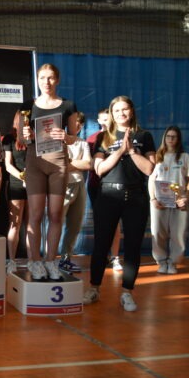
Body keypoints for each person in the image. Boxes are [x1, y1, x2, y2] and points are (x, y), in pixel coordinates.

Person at [83, 96, 156, 312]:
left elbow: (150, 169)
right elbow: (99, 169)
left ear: (132, 111)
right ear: (112, 114)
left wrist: (132, 151)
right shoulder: (103, 137)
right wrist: (119, 151)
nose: (121, 113)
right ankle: (94, 288)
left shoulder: (144, 136)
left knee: (133, 246)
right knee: (101, 244)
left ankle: (127, 292)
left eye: (125, 109)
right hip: (108, 195)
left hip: (136, 196)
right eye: (116, 110)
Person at [20, 63, 78, 281]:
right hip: (35, 162)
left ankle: (51, 261)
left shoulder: (68, 105)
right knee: (35, 214)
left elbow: (73, 137)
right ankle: (35, 261)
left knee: (55, 214)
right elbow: (20, 138)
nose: (47, 82)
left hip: (58, 162)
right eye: (42, 77)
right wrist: (25, 135)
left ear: (58, 80)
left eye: (51, 77)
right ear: (37, 80)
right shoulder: (28, 105)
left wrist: (65, 136)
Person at [148, 126, 189, 274]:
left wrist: (185, 197)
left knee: (178, 234)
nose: (171, 139)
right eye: (168, 136)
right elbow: (151, 179)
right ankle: (161, 261)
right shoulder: (158, 156)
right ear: (164, 138)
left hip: (179, 201)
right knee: (158, 233)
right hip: (160, 201)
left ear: (178, 139)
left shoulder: (185, 157)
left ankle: (173, 262)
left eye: (174, 136)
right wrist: (153, 198)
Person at [87, 108, 122, 270]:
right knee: (100, 223)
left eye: (109, 119)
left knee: (115, 223)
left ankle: (115, 257)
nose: (106, 122)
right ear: (99, 121)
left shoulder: (120, 138)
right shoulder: (92, 139)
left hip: (115, 185)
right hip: (96, 185)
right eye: (103, 119)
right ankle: (101, 256)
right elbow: (89, 163)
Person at [59, 112, 92, 273]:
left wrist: (69, 163)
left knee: (74, 225)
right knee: (56, 224)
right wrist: (77, 164)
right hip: (61, 186)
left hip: (79, 185)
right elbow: (57, 164)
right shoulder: (58, 141)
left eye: (80, 124)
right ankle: (48, 259)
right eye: (74, 123)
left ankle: (65, 259)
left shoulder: (82, 143)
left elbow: (88, 164)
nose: (77, 126)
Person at [3, 125, 29, 274]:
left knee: (32, 225)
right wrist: (21, 176)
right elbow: (8, 165)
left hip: (34, 182)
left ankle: (33, 261)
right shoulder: (9, 139)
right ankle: (12, 261)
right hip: (16, 183)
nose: (26, 123)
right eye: (23, 120)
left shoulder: (34, 137)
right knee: (15, 224)